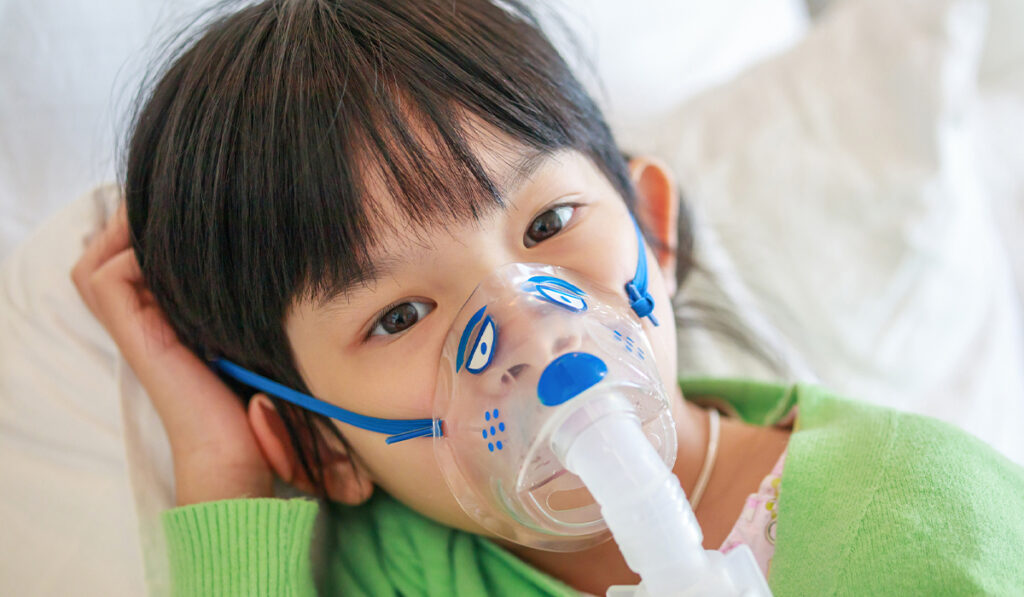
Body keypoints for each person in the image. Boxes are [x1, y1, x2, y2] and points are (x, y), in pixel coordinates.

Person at [72, 0, 1024, 595]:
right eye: (400, 315)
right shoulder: (405, 572)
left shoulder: (917, 516)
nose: (525, 325)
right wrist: (223, 473)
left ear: (653, 229)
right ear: (322, 444)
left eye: (548, 223)